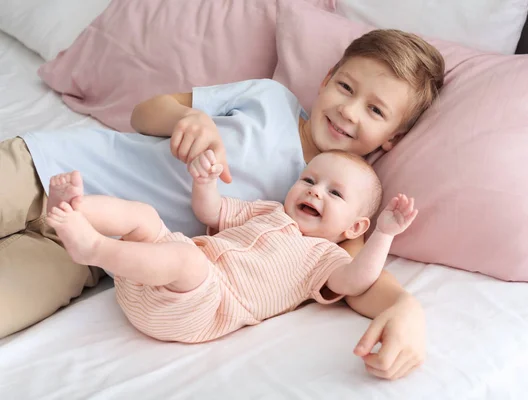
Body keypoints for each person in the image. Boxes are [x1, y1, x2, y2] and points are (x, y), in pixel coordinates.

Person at [0, 29, 444, 379]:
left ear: (393, 140)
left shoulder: (339, 202)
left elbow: (359, 279)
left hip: (84, 252)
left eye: (376, 111)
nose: (349, 111)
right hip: (51, 169)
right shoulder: (271, 100)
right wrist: (188, 119)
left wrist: (407, 308)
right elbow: (144, 113)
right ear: (326, 79)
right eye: (346, 87)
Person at [45, 150, 418, 346]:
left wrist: (384, 234)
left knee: (186, 258)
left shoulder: (326, 258)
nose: (315, 191)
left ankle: (92, 248)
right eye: (309, 179)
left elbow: (357, 281)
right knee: (144, 216)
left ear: (354, 227)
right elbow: (211, 211)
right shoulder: (268, 210)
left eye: (334, 193)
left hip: (205, 306)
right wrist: (205, 182)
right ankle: (71, 209)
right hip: (150, 275)